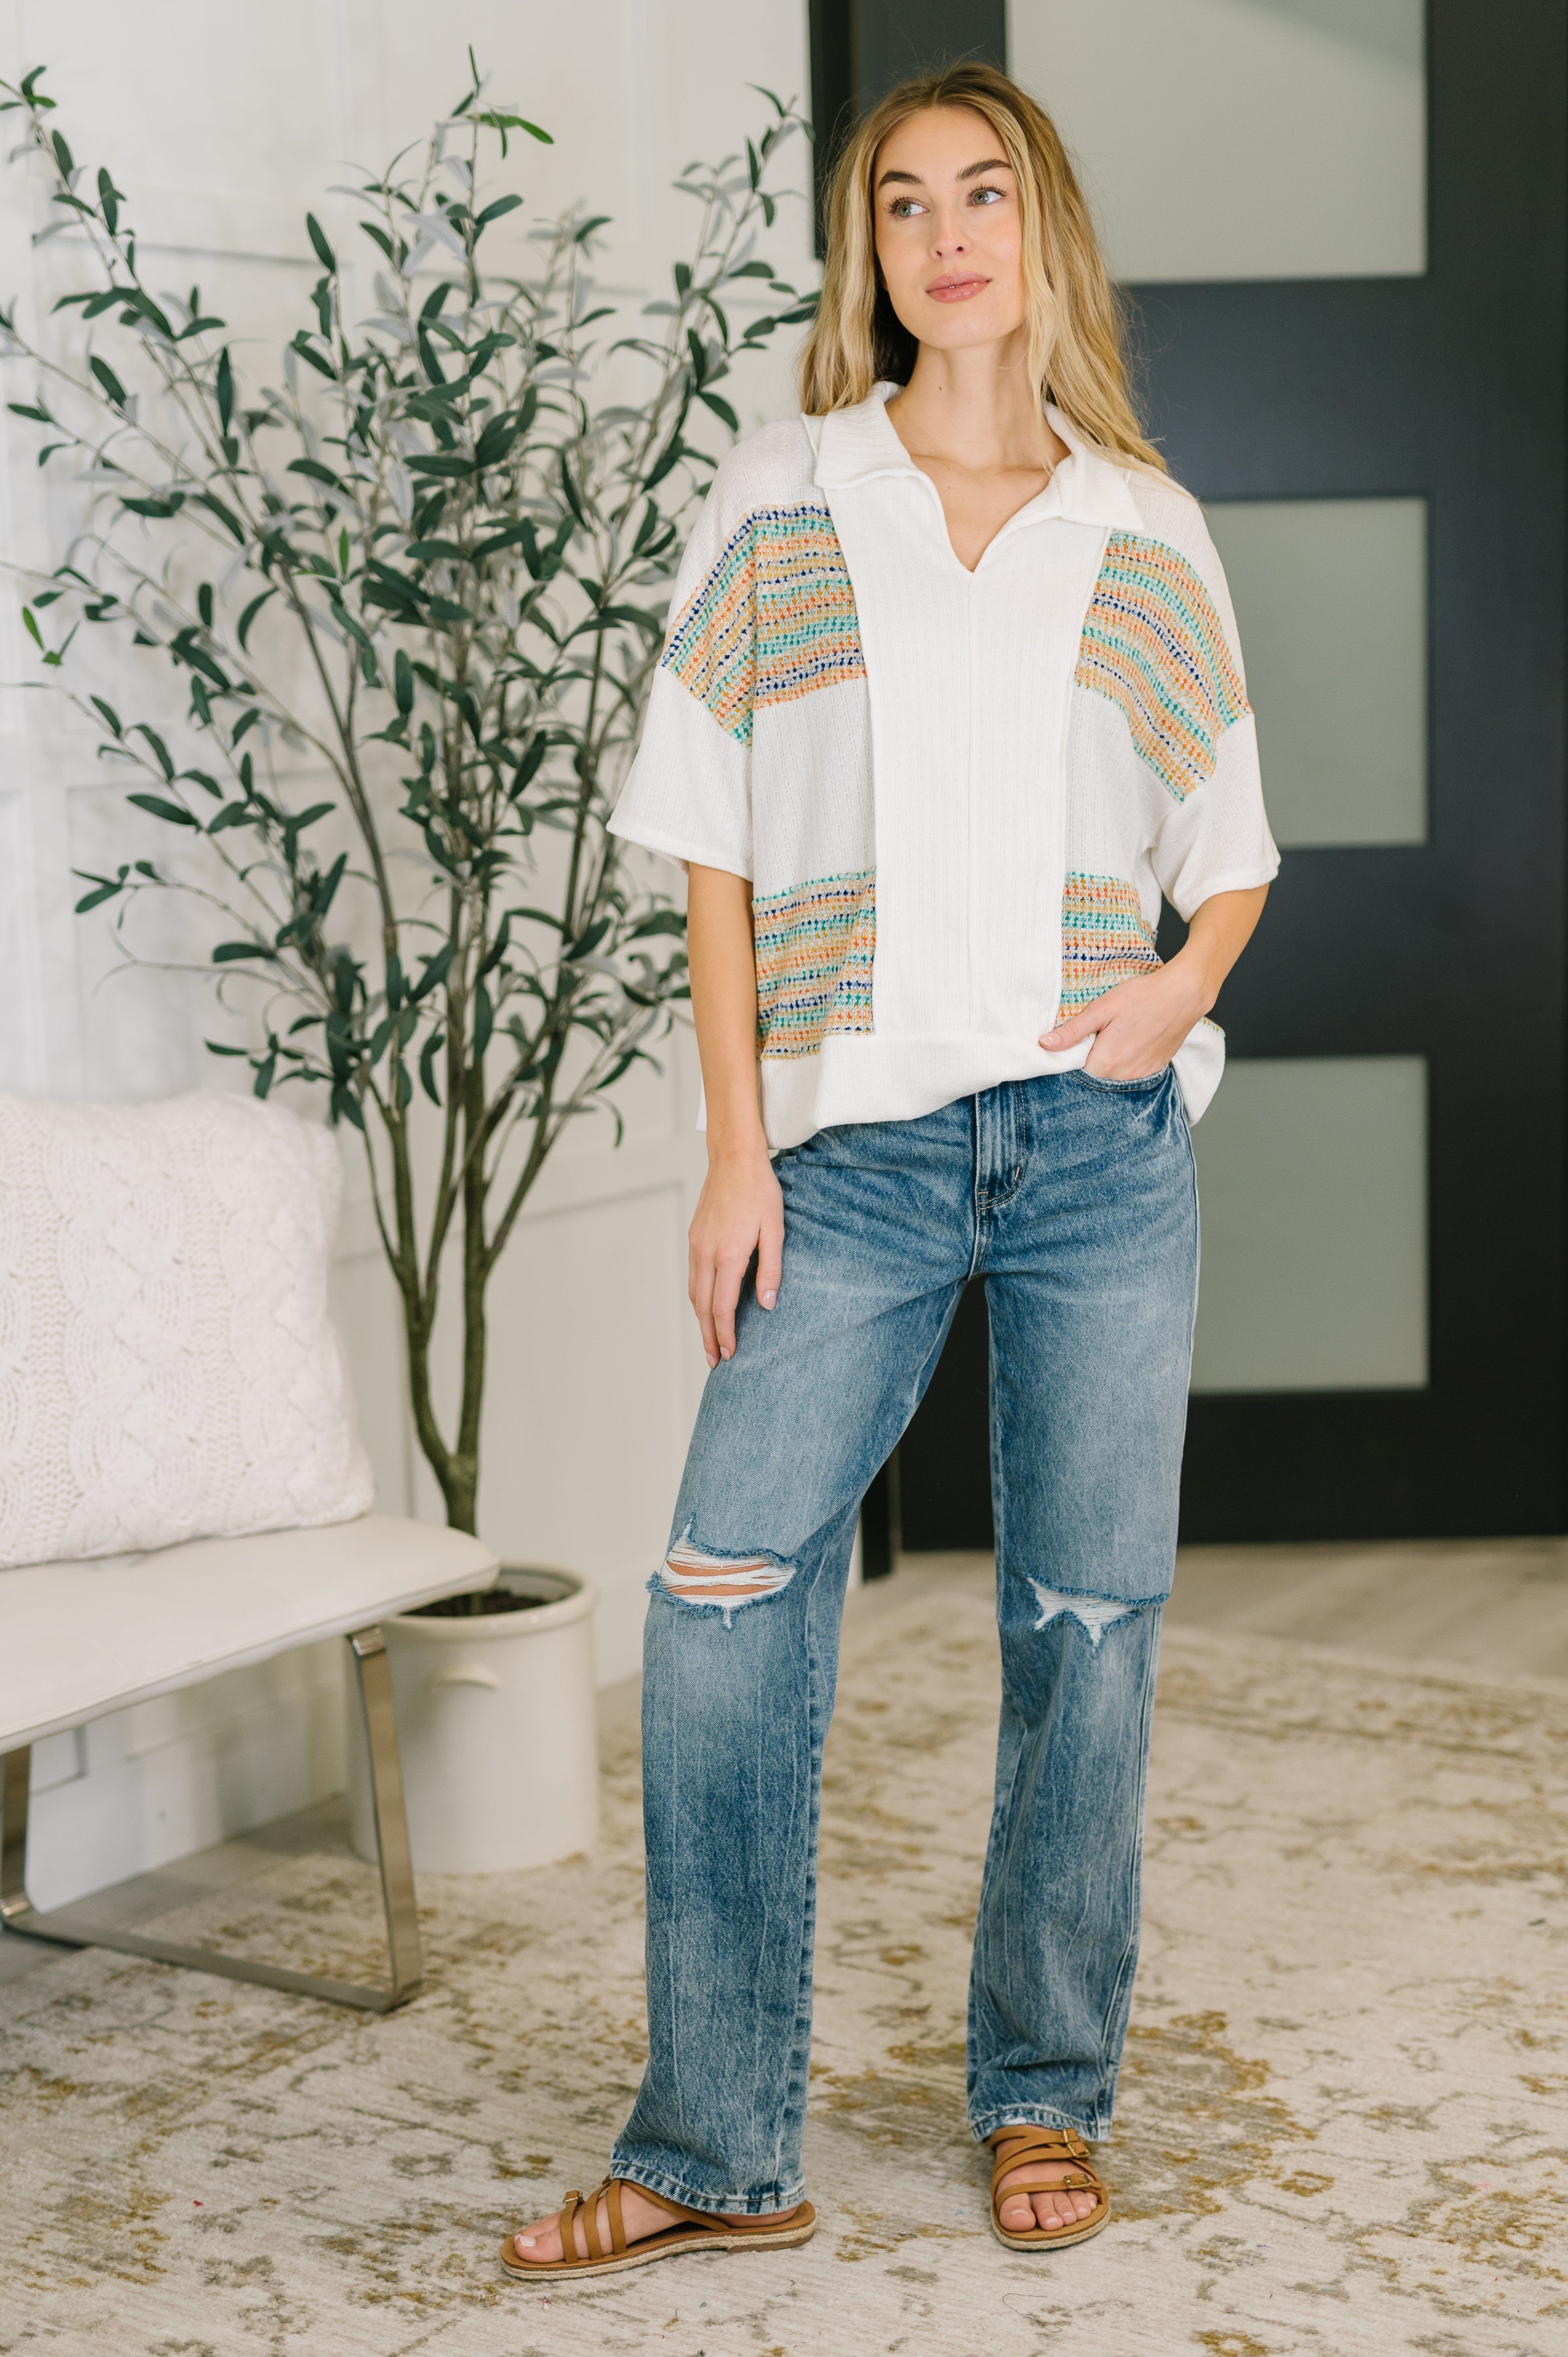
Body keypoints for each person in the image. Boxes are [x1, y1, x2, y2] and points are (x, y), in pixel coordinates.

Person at [502, 60, 1277, 2282]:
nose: (947, 236)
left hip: (1096, 1148)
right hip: (842, 1153)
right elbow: (712, 840)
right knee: (723, 1603)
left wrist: (1171, 990)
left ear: (1043, 235)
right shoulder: (787, 490)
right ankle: (716, 2145)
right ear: (870, 252)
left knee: (1084, 1626)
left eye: (984, 195)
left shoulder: (1137, 519)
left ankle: (1044, 2095)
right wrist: (733, 1150)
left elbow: (1226, 844)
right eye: (906, 202)